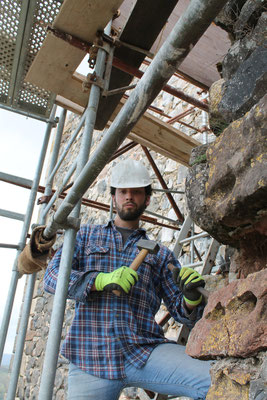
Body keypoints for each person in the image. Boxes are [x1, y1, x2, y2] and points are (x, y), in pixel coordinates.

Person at [21, 159, 211, 399]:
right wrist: (99, 280)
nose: (129, 196)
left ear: (147, 199)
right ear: (114, 198)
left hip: (144, 351)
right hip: (90, 358)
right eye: (123, 192)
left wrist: (191, 298)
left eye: (136, 192)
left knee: (215, 378)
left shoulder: (162, 254)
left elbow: (181, 312)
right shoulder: (85, 236)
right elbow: (52, 278)